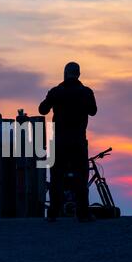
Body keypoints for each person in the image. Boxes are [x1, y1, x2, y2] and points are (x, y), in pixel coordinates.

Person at [39, 62, 97, 222]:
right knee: (81, 177)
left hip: (59, 142)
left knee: (56, 177)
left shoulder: (56, 92)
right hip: (78, 140)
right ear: (78, 74)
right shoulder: (85, 92)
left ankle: (52, 214)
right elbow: (93, 111)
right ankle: (83, 213)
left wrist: (52, 98)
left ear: (65, 73)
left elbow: (42, 109)